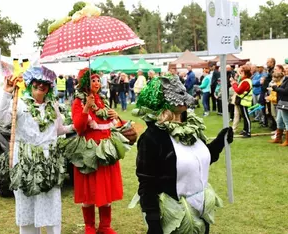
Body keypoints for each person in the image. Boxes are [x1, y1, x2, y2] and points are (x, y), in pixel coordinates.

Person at [133, 76, 233, 234]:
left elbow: (199, 161)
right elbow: (147, 182)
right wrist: (153, 220)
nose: (184, 98)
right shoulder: (152, 138)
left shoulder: (191, 127)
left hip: (200, 209)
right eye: (177, 93)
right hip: (175, 213)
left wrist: (220, 141)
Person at [0, 66, 73, 234]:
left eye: (45, 83)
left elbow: (58, 130)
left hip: (49, 162)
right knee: (27, 204)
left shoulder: (53, 106)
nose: (41, 85)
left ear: (50, 87)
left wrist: (78, 126)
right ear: (30, 84)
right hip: (25, 161)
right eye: (37, 82)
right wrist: (7, 93)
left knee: (51, 204)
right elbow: (0, 120)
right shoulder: (20, 104)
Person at [68, 68, 133, 234]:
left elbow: (115, 126)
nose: (96, 83)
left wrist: (116, 115)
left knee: (106, 188)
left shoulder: (103, 101)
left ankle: (105, 226)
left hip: (106, 151)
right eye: (92, 81)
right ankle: (89, 226)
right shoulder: (79, 102)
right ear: (84, 84)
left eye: (98, 80)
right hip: (89, 152)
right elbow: (79, 128)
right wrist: (86, 108)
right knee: (89, 190)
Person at [230, 65, 253, 138]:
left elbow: (239, 91)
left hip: (244, 102)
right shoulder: (245, 80)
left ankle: (248, 132)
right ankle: (245, 130)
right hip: (242, 101)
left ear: (245, 72)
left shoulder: (246, 81)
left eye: (241, 71)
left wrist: (234, 84)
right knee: (244, 116)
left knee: (246, 117)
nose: (240, 72)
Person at [269, 65, 288, 145]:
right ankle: (278, 138)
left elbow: (286, 91)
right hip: (281, 102)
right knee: (279, 120)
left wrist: (275, 88)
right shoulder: (286, 79)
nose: (285, 70)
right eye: (286, 68)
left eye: (287, 68)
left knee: (286, 121)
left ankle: (287, 140)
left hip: (286, 102)